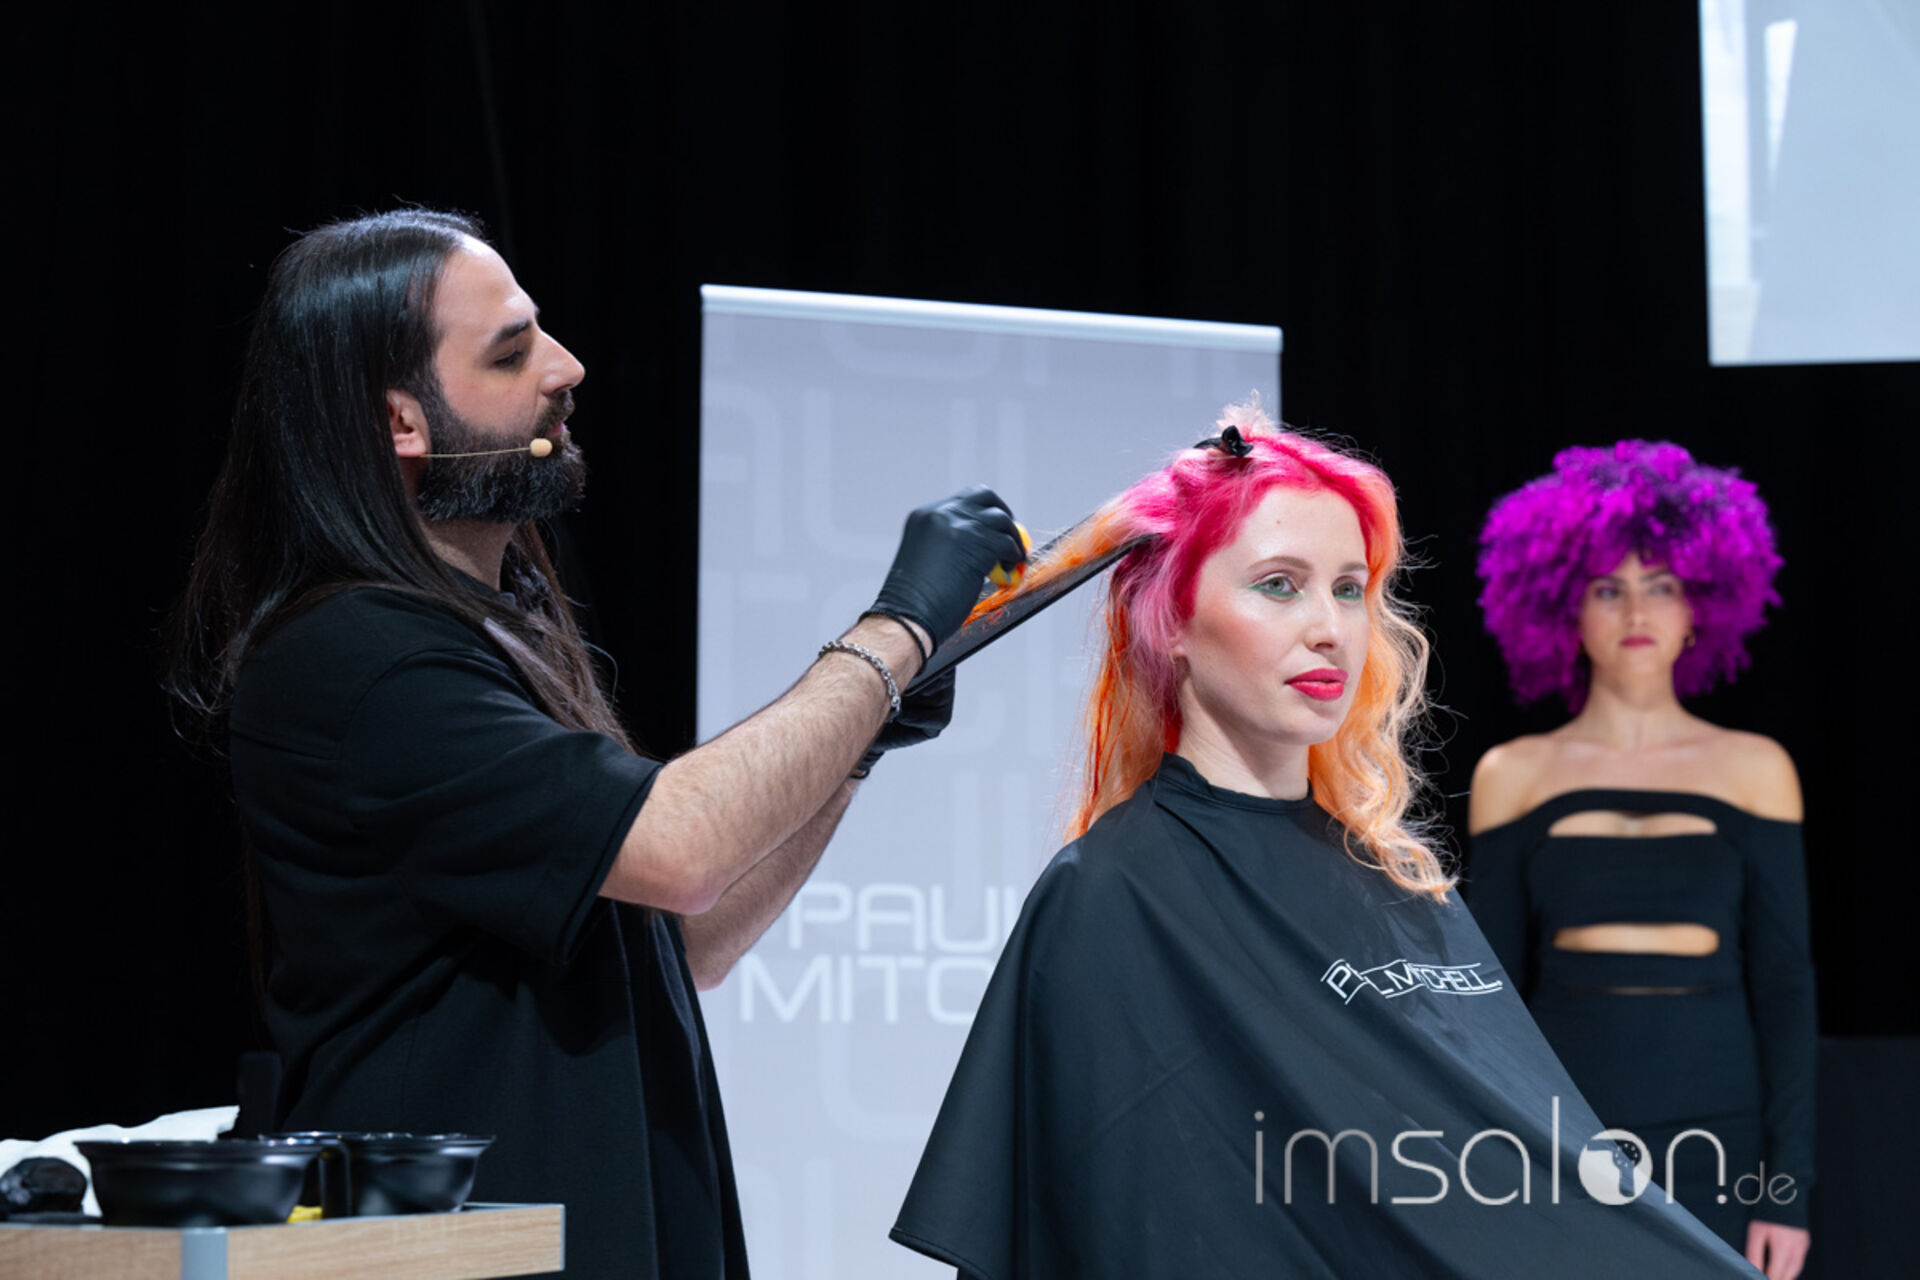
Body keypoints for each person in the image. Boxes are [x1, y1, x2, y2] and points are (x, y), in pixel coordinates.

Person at [165, 208, 1025, 1279]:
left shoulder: (488, 637)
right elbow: (681, 848)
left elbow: (688, 937)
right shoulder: (358, 658)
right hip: (458, 1256)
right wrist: (892, 634)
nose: (566, 368)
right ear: (401, 421)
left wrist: (858, 746)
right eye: (511, 352)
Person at [890, 406, 1754, 1278]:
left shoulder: (1396, 878)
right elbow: (1123, 1216)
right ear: (1173, 621)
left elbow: (1528, 1170)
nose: (1331, 628)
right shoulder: (1112, 894)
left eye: (1348, 589)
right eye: (1279, 585)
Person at [1466, 440, 1814, 1280]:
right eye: (1606, 588)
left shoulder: (1755, 768)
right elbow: (1490, 1002)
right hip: (1562, 1132)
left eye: (1660, 585)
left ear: (1700, 607)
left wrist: (1787, 1191)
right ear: (1563, 608)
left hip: (1718, 1135)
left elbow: (1786, 989)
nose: (1635, 610)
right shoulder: (1513, 774)